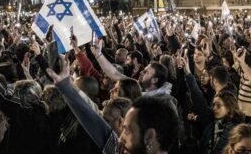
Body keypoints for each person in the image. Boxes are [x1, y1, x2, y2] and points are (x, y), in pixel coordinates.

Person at [46, 54, 181, 154]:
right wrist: (65, 86)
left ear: (149, 137)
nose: (120, 138)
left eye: (127, 130)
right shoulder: (120, 150)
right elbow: (93, 122)